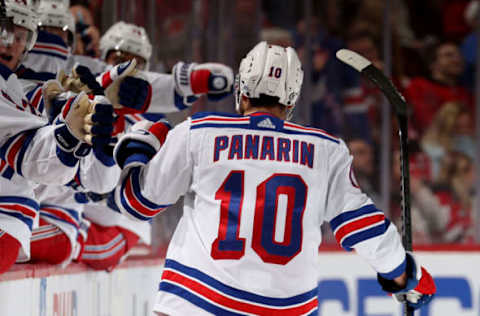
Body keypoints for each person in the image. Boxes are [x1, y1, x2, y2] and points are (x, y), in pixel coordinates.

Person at [112, 41, 436, 315]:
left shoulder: (200, 131)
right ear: (292, 99)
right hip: (285, 308)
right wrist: (403, 274)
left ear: (241, 88)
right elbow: (361, 226)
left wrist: (137, 150)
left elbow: (136, 204)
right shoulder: (326, 150)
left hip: (196, 302)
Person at [0, 0, 114, 273]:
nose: (11, 44)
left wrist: (69, 136)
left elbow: (96, 181)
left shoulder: (22, 94)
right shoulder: (19, 91)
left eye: (20, 36)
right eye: (5, 32)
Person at [404, 41, 473, 135]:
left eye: (459, 55)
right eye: (448, 55)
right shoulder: (418, 86)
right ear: (432, 64)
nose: (457, 59)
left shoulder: (465, 93)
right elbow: (424, 122)